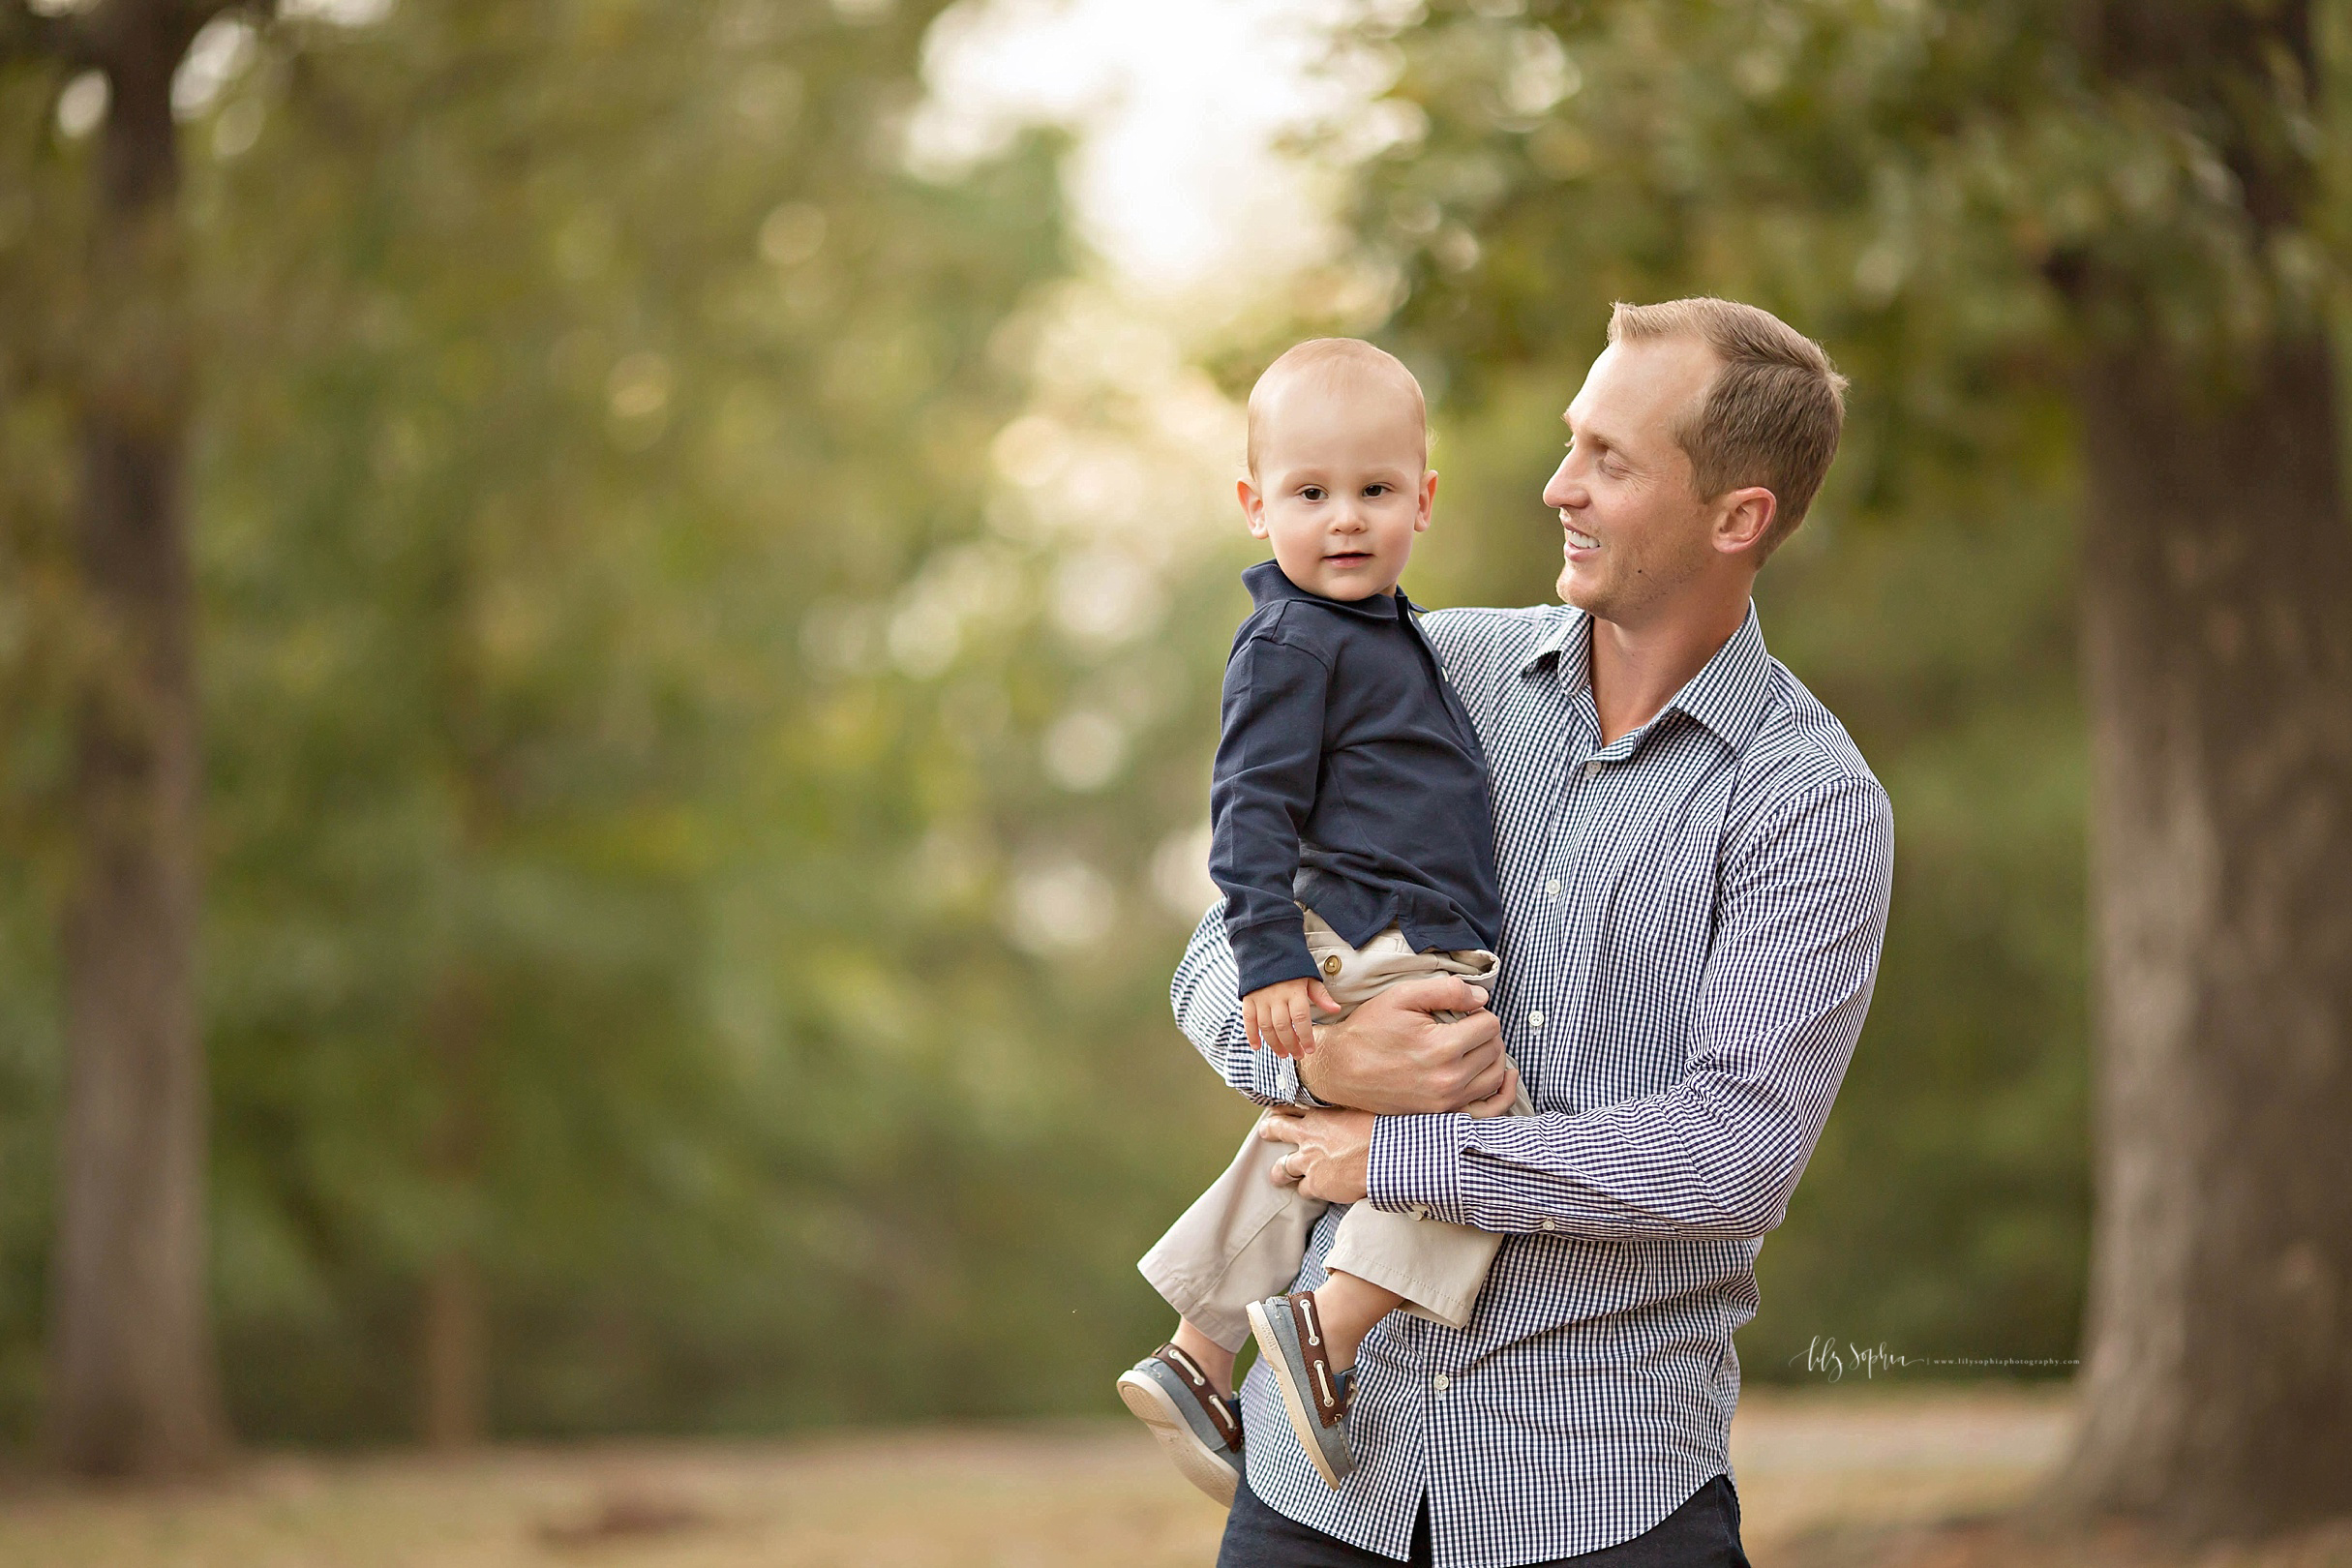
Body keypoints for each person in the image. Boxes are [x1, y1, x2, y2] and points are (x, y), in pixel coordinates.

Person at [1181, 298, 1894, 1568]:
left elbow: (1730, 1158)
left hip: (1598, 1501)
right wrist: (1321, 1062)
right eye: (1572, 443)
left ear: (1738, 518)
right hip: (1316, 1495)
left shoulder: (1807, 802)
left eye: (1609, 461)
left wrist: (1405, 1164)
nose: (1559, 487)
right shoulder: (1425, 667)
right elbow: (1204, 955)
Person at [1115, 337, 1533, 1505]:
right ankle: (1330, 1328)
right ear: (1255, 506)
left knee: (1319, 1132)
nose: (1343, 520)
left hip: (1382, 934)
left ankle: (1200, 1349)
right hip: (1370, 935)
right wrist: (1264, 955)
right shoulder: (1293, 640)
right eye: (1309, 493)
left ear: (1423, 499)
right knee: (1482, 1120)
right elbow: (1247, 804)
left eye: (1374, 491)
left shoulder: (1394, 635)